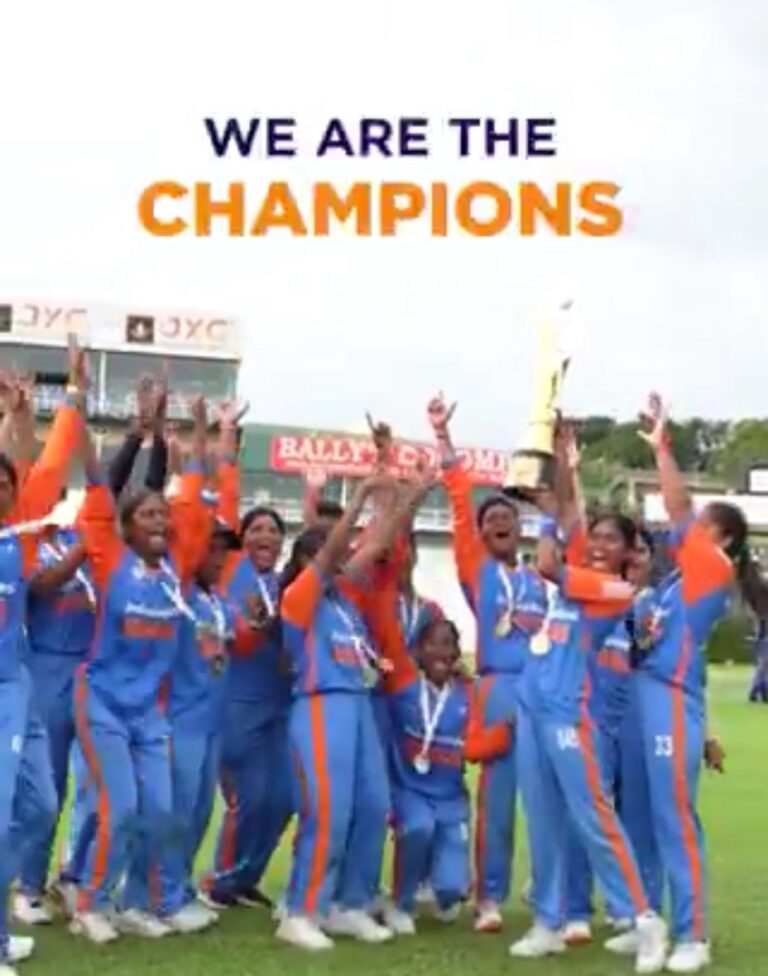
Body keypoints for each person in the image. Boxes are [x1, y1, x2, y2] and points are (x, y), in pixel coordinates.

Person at [71, 400, 212, 944]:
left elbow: (193, 493)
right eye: (147, 515)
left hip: (148, 712)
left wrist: (198, 431)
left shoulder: (176, 571)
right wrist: (78, 403)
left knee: (160, 808)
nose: (159, 521)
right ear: (127, 528)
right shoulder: (111, 559)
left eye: (162, 515)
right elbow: (95, 483)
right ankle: (90, 903)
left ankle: (135, 903)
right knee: (122, 807)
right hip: (102, 701)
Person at [513, 484, 668, 972]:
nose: (599, 545)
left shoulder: (616, 591)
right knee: (542, 819)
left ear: (628, 553)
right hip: (532, 708)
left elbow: (547, 562)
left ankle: (644, 918)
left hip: (567, 713)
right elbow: (569, 534)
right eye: (595, 537)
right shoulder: (578, 580)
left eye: (611, 540)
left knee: (593, 817)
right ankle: (548, 922)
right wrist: (562, 464)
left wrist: (546, 517)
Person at [626, 394, 751, 973]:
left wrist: (662, 447)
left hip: (669, 701)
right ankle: (647, 917)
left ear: (718, 536)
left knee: (673, 816)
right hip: (646, 696)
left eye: (700, 525)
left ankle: (693, 934)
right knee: (641, 814)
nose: (687, 529)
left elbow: (676, 504)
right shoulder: (676, 581)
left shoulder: (712, 568)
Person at [427, 394, 547, 933]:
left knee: (547, 799)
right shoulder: (479, 572)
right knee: (497, 800)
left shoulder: (539, 578)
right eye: (491, 519)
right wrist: (443, 437)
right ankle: (489, 897)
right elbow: (459, 500)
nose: (500, 521)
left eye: (507, 516)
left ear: (519, 528)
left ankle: (548, 891)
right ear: (480, 534)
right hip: (498, 690)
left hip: (542, 691)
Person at [275, 471, 409, 950]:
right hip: (319, 706)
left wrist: (410, 496)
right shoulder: (298, 599)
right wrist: (361, 497)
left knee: (373, 806)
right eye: (327, 555)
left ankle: (349, 903)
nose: (340, 560)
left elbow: (376, 544)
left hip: (358, 706)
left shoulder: (345, 602)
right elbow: (338, 550)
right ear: (307, 562)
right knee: (327, 811)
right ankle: (300, 910)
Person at [0, 364, 85, 976]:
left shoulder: (20, 534)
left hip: (19, 685)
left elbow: (46, 462)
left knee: (38, 805)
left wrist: (27, 413)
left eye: (5, 483)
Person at [372, 598, 513, 934]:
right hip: (410, 791)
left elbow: (473, 749)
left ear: (457, 653)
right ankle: (401, 902)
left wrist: (505, 731)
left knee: (452, 891)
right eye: (432, 644)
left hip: (451, 799)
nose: (440, 651)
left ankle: (437, 886)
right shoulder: (405, 686)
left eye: (448, 644)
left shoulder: (468, 694)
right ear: (418, 651)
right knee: (418, 828)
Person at [205, 498, 292, 909]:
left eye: (273, 530)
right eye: (256, 529)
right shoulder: (231, 575)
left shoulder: (284, 586)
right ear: (242, 540)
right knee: (248, 798)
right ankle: (220, 882)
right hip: (239, 701)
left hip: (280, 701)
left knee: (285, 799)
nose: (265, 536)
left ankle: (246, 876)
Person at [748, 617, 768, 703]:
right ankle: (762, 693)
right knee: (762, 670)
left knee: (761, 670)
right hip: (763, 644)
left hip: (761, 643)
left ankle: (757, 693)